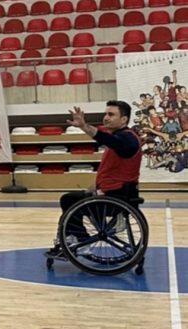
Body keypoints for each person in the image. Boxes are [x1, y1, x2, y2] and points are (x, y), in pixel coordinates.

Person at [49, 101, 142, 254]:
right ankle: (72, 237)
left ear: (124, 120)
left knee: (68, 200)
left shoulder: (128, 139)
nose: (106, 118)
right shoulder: (120, 137)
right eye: (105, 114)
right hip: (113, 193)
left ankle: (79, 239)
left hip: (117, 198)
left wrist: (84, 126)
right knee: (75, 198)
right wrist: (93, 187)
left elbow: (108, 140)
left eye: (111, 114)